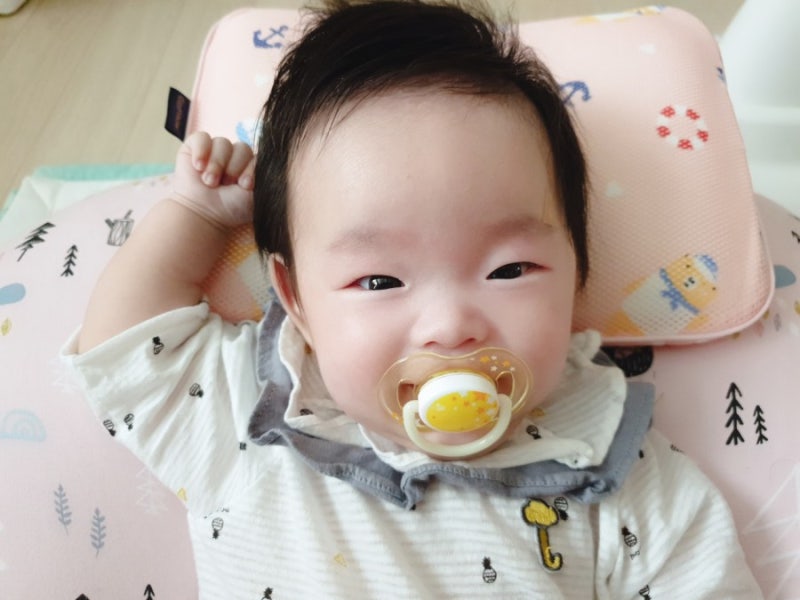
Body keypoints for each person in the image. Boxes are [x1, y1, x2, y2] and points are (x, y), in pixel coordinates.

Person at [64, 0, 762, 597]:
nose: (451, 326)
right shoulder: (250, 411)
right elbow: (125, 348)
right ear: (297, 299)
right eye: (379, 282)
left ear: (577, 270)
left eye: (510, 269)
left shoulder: (615, 469)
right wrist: (195, 216)